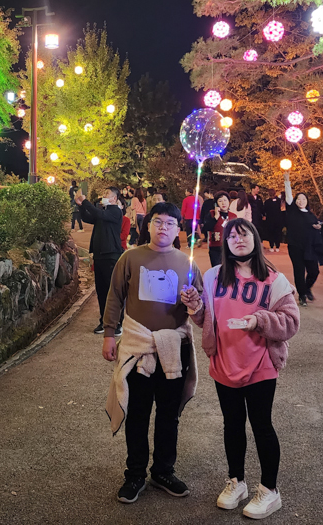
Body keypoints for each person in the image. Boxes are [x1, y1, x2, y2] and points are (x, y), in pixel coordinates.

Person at [181, 218, 299, 519]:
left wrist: (259, 320)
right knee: (232, 424)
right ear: (225, 243)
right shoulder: (213, 277)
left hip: (260, 364)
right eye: (232, 236)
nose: (238, 239)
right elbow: (205, 319)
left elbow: (290, 322)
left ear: (255, 239)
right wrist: (194, 306)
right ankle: (236, 481)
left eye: (244, 234)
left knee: (262, 425)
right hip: (224, 363)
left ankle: (270, 490)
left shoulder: (274, 280)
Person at [103, 203, 198, 505]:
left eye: (170, 223)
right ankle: (134, 474)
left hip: (173, 350)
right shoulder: (130, 258)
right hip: (138, 348)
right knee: (138, 414)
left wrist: (195, 302)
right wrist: (109, 334)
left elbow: (199, 307)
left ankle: (163, 471)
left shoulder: (187, 263)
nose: (163, 228)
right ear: (148, 225)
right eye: (158, 221)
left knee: (169, 416)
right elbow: (115, 296)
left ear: (178, 228)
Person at [75, 186, 125, 335]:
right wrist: (81, 206)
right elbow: (88, 218)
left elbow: (98, 214)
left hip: (111, 255)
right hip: (99, 255)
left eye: (107, 194)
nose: (104, 195)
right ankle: (104, 321)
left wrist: (85, 202)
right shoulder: (103, 212)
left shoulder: (115, 211)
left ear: (114, 198)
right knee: (101, 290)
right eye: (104, 193)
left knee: (113, 291)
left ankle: (117, 323)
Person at [283, 172, 323, 307]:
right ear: (295, 201)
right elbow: (288, 196)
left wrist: (318, 227)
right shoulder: (292, 211)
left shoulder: (311, 215)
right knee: (299, 271)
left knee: (314, 271)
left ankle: (307, 288)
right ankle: (302, 295)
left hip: (309, 247)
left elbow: (316, 227)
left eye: (303, 199)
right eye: (298, 199)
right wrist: (287, 181)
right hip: (295, 246)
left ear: (307, 201)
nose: (301, 201)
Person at [203, 192, 238, 268]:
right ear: (216, 204)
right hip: (216, 248)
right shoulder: (212, 214)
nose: (223, 203)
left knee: (230, 268)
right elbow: (206, 228)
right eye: (220, 201)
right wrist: (216, 217)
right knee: (217, 269)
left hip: (230, 247)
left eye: (225, 200)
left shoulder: (233, 216)